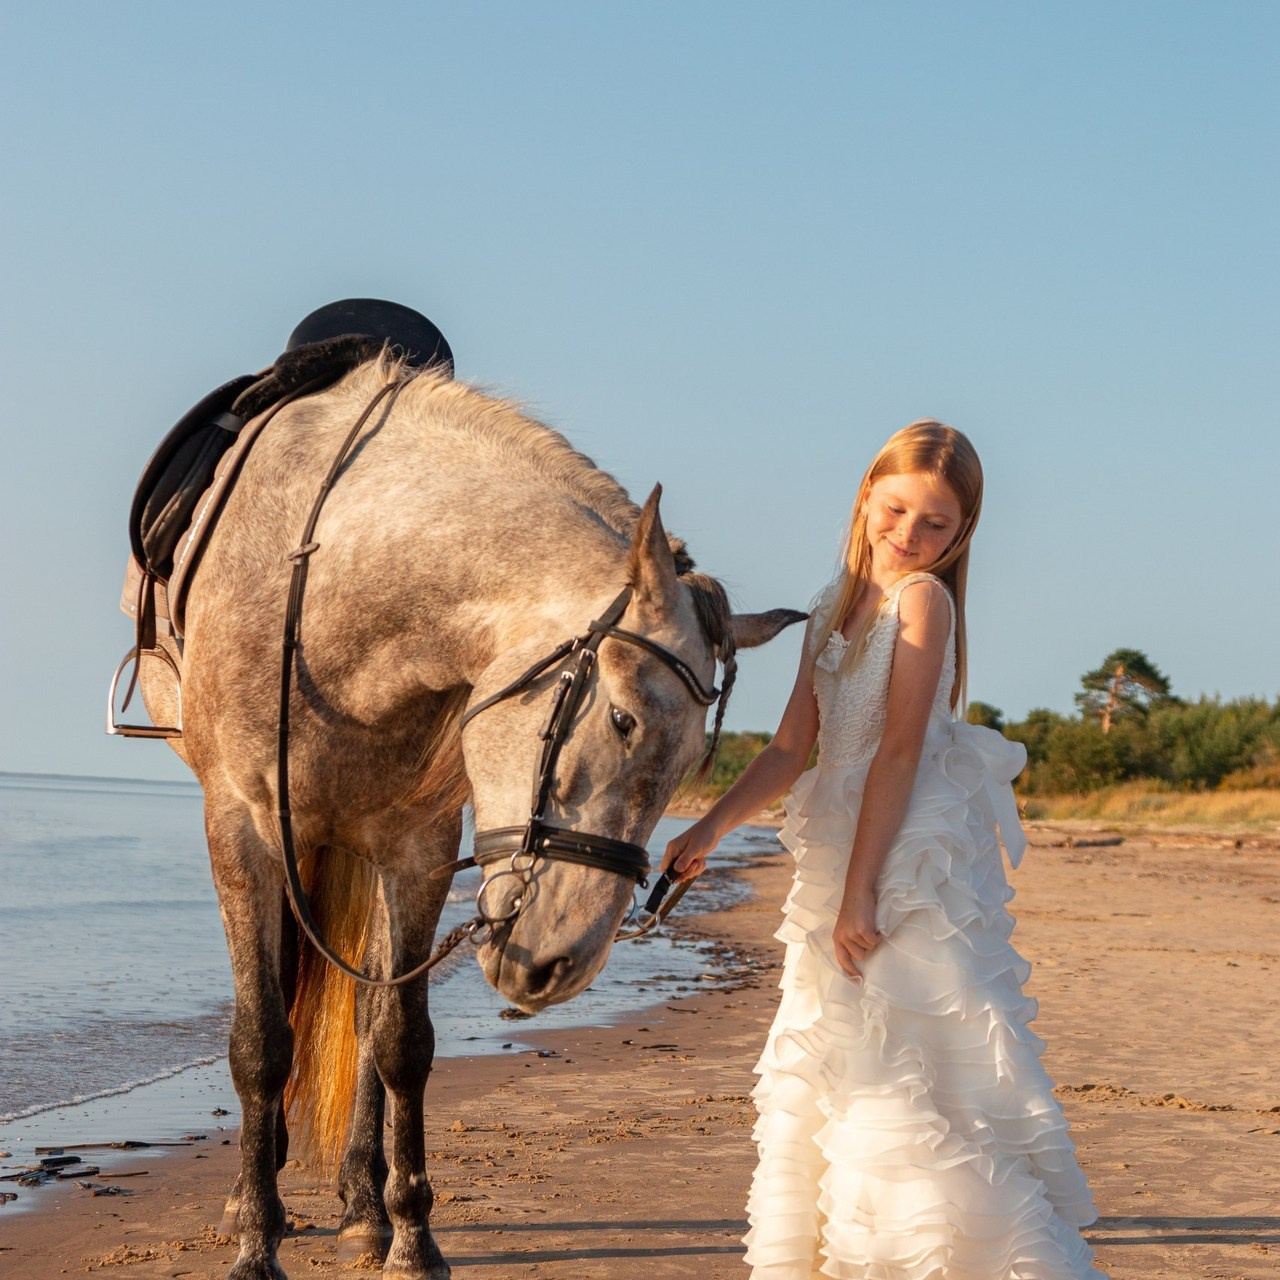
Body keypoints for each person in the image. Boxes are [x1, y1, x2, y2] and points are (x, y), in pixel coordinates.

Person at [662, 421, 1105, 1279]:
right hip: (839, 843)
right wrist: (708, 828)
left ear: (961, 534)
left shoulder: (923, 603)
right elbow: (794, 748)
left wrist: (861, 893)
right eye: (896, 509)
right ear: (867, 494)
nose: (908, 534)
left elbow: (898, 753)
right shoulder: (831, 604)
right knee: (838, 1056)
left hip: (905, 850)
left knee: (906, 1060)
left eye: (935, 524)